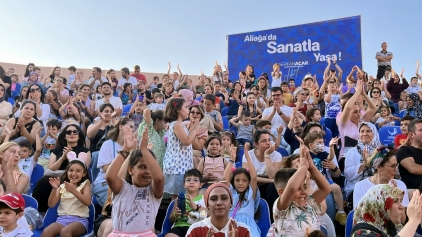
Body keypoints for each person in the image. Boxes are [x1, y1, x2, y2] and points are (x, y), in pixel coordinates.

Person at [106, 126, 164, 237]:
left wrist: (144, 150)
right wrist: (126, 150)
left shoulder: (153, 192)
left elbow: (159, 178)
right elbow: (110, 177)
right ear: (131, 170)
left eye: (150, 168)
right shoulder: (122, 188)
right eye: (142, 167)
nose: (148, 172)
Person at [272, 142, 330, 237]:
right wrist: (303, 166)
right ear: (281, 192)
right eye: (299, 188)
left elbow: (326, 188)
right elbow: (291, 187)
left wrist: (311, 166)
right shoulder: (281, 208)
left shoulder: (309, 202)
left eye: (304, 186)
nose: (304, 192)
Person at [32, 124, 90, 213]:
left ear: (79, 136)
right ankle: (39, 212)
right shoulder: (57, 150)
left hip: (75, 177)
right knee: (43, 182)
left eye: (75, 132)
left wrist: (71, 160)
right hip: (57, 176)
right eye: (68, 132)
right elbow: (50, 169)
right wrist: (62, 158)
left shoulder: (85, 151)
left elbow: (84, 169)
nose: (72, 134)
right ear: (64, 136)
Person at [42, 159, 92, 237]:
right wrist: (54, 189)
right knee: (47, 232)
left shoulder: (85, 184)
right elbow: (51, 205)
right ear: (67, 172)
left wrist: (73, 190)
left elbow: (87, 202)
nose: (74, 173)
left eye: (78, 171)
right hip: (61, 220)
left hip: (79, 221)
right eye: (71, 170)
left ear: (84, 173)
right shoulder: (62, 187)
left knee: (65, 231)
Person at [353, 149, 409, 216]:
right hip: (368, 225)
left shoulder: (400, 185)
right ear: (379, 166)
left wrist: (396, 198)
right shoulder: (360, 186)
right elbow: (359, 215)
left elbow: (402, 219)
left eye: (396, 165)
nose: (396, 170)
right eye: (392, 166)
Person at [222, 142, 261, 237]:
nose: (240, 183)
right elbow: (224, 179)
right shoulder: (230, 192)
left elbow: (254, 177)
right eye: (237, 180)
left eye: (244, 180)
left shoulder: (251, 193)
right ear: (233, 182)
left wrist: (247, 156)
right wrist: (231, 160)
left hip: (248, 227)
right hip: (230, 225)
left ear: (248, 182)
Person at [92, 117, 133, 206]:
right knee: (116, 204)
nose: (133, 130)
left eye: (133, 127)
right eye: (130, 126)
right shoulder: (108, 144)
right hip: (104, 183)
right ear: (121, 127)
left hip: (125, 184)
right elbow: (107, 169)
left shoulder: (133, 148)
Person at [352, 185, 422, 237]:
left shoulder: (394, 226)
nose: (402, 206)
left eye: (401, 201)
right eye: (395, 201)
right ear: (379, 204)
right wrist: (413, 221)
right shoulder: (362, 232)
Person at [163, 98, 199, 199]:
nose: (189, 110)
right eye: (186, 107)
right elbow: (187, 141)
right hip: (178, 167)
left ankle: (180, 214)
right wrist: (194, 129)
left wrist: (191, 129)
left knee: (181, 197)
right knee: (178, 197)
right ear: (178, 110)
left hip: (182, 166)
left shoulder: (179, 125)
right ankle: (174, 214)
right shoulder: (177, 124)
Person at [242, 130, 282, 220]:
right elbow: (247, 177)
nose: (268, 143)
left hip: (268, 186)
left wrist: (267, 155)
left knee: (272, 187)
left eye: (269, 140)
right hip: (253, 184)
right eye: (264, 141)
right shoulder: (248, 155)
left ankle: (272, 219)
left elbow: (273, 176)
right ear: (256, 144)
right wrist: (269, 180)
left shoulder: (276, 155)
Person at [186, 183, 251, 236]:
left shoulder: (243, 230)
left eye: (224, 198)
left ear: (231, 203)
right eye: (214, 199)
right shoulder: (195, 230)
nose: (219, 203)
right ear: (207, 205)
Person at [165, 169, 207, 237]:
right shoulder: (179, 198)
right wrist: (175, 214)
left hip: (197, 228)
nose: (191, 182)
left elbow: (207, 215)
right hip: (179, 227)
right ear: (184, 184)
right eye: (188, 180)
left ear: (201, 184)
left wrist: (196, 208)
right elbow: (171, 219)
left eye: (195, 180)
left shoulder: (203, 199)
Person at [344, 122, 381, 198]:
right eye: (362, 131)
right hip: (356, 187)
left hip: (378, 187)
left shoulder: (381, 151)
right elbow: (348, 175)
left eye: (368, 131)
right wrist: (364, 164)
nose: (365, 134)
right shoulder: (352, 152)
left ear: (374, 133)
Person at [397, 119, 422, 190]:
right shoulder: (405, 150)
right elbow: (413, 169)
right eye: (421, 130)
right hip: (412, 191)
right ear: (411, 134)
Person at [183, 105, 208, 169]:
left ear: (201, 116)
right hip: (182, 154)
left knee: (193, 158)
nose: (195, 114)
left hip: (195, 157)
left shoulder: (203, 130)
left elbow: (198, 147)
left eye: (198, 113)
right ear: (189, 114)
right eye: (192, 112)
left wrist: (192, 131)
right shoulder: (182, 126)